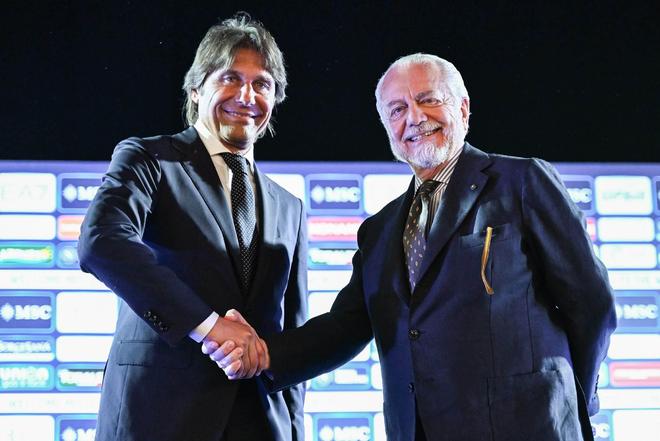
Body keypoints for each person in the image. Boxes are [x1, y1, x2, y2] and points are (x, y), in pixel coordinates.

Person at [204, 53, 617, 441]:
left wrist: (572, 399)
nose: (414, 118)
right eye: (397, 110)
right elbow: (344, 328)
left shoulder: (522, 182)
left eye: (428, 100)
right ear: (388, 129)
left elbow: (591, 304)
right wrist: (264, 354)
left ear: (463, 109)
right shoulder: (379, 231)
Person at [77, 13, 307, 441]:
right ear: (196, 88)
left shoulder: (289, 207)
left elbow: (290, 334)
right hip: (157, 417)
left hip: (259, 422)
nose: (246, 95)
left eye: (262, 84)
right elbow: (102, 242)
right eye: (231, 78)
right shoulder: (149, 159)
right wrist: (210, 325)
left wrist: (292, 428)